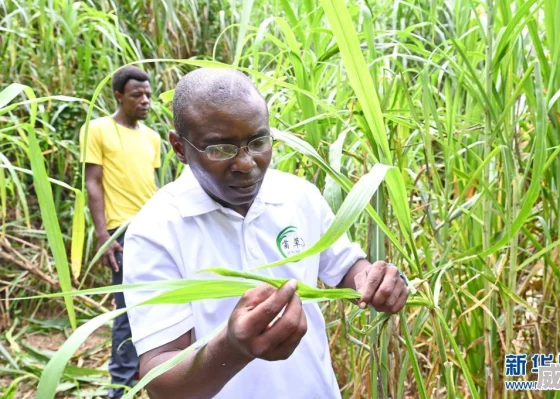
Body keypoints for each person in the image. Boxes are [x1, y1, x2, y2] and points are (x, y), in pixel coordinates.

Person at [122, 68, 408, 399]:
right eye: (220, 149)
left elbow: (346, 267)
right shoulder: (156, 230)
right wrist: (231, 349)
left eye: (258, 142)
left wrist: (375, 280)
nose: (246, 163)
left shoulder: (298, 196)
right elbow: (160, 380)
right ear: (179, 148)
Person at [79, 65, 161, 399]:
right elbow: (93, 183)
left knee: (160, 306)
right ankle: (122, 389)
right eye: (136, 95)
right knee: (127, 312)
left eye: (148, 95)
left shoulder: (153, 137)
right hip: (122, 232)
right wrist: (104, 237)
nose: (145, 101)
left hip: (154, 229)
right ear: (118, 96)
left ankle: (154, 379)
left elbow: (152, 185)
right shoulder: (98, 129)